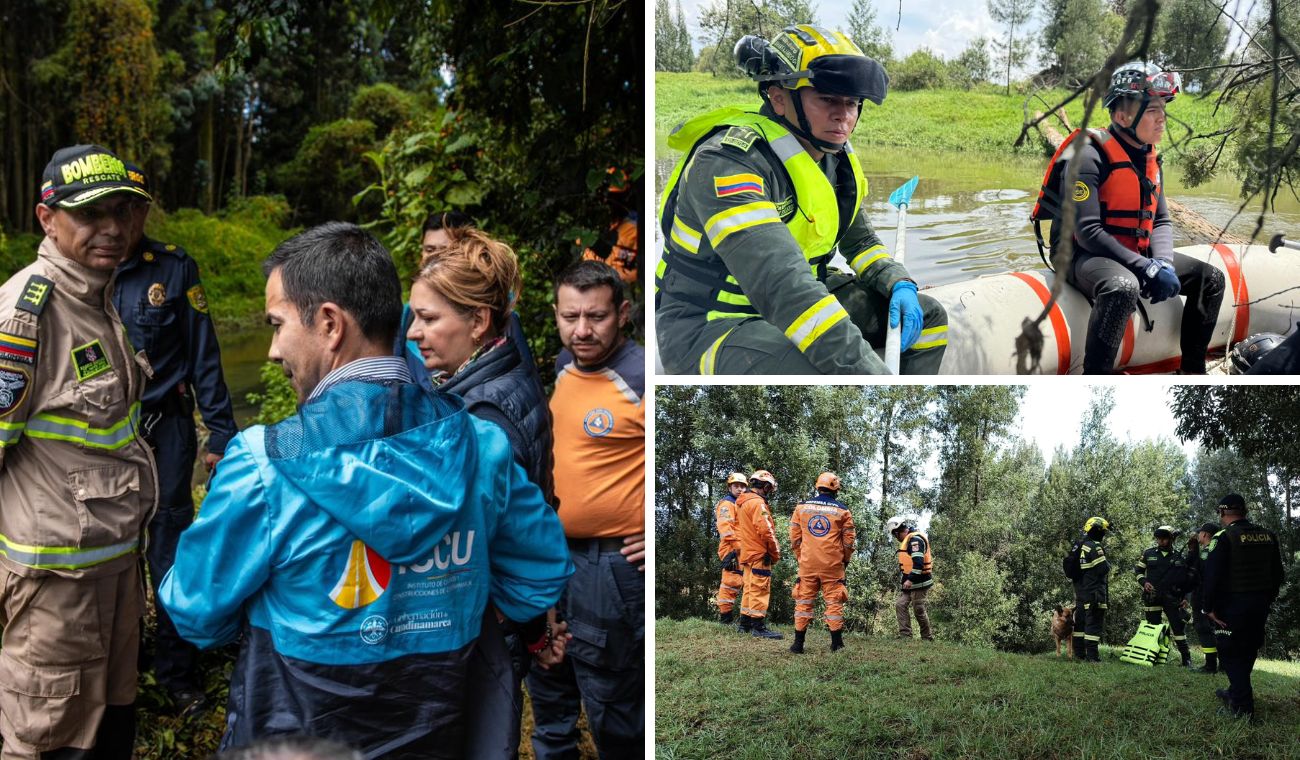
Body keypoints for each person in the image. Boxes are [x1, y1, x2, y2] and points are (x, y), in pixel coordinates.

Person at [158, 222, 573, 758]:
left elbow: (195, 612)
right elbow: (537, 577)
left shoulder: (263, 464)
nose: (271, 350)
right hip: (441, 728)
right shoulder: (482, 449)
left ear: (329, 324)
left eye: (278, 325)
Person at [655, 24, 948, 374]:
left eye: (853, 102)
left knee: (930, 319)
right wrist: (871, 375)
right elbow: (783, 287)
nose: (844, 115)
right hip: (710, 321)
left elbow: (863, 241)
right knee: (816, 367)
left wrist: (896, 281)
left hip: (797, 297)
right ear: (779, 98)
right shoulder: (727, 161)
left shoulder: (832, 159)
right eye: (827, 99)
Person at [0, 144, 158, 759]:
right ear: (47, 218)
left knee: (111, 725)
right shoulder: (25, 316)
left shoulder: (99, 298)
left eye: (124, 211)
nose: (113, 229)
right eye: (91, 215)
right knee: (48, 738)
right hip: (55, 583)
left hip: (114, 568)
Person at [402, 226, 560, 757]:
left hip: (487, 625)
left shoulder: (483, 411)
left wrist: (531, 628)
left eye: (428, 320)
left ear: (477, 320)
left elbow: (504, 537)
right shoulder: (501, 371)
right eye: (413, 317)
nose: (414, 334)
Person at [111, 161, 238, 715]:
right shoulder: (79, 274)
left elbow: (204, 354)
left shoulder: (172, 269)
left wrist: (222, 435)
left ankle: (177, 674)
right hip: (103, 436)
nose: (126, 219)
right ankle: (118, 668)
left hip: (167, 429)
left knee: (169, 546)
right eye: (117, 208)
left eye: (136, 208)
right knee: (110, 548)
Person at [527, 260, 644, 759]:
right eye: (569, 316)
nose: (581, 330)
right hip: (552, 561)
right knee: (549, 690)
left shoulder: (642, 377)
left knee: (614, 709)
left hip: (612, 568)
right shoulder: (563, 366)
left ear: (622, 313)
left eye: (595, 317)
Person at [1053, 61, 1225, 374]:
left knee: (1211, 280)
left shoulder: (1150, 158)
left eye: (1164, 108)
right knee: (1122, 287)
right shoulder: (1089, 156)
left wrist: (1163, 264)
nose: (1163, 118)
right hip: (1081, 253)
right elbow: (1087, 231)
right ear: (1122, 116)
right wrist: (1143, 266)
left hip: (1132, 249)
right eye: (1152, 110)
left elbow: (1160, 221)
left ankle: (1192, 370)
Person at [1200, 494, 1285, 720]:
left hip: (1233, 605)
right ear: (1244, 510)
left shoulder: (1224, 537)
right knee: (1248, 648)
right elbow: (1278, 573)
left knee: (1230, 652)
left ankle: (1242, 707)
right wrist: (1268, 598)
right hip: (1261, 603)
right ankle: (1235, 692)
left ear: (1222, 513)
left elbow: (1212, 576)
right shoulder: (1268, 536)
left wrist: (1208, 607)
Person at [788, 472, 856, 653]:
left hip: (807, 563)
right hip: (832, 565)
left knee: (803, 602)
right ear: (836, 490)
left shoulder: (801, 508)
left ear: (817, 487)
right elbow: (848, 541)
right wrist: (845, 560)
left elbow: (794, 538)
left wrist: (801, 558)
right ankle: (836, 644)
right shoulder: (843, 511)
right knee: (834, 603)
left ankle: (798, 644)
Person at [733, 470, 783, 639]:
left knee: (748, 588)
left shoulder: (742, 503)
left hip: (747, 553)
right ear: (766, 487)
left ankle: (744, 624)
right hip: (759, 553)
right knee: (759, 589)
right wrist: (775, 552)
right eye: (769, 488)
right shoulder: (757, 504)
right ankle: (758, 627)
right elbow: (766, 530)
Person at [1133, 525, 1193, 666]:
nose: (1160, 541)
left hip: (1173, 598)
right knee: (1153, 628)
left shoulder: (1180, 557)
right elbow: (1138, 571)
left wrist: (1186, 598)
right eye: (1158, 538)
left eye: (1164, 538)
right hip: (1152, 597)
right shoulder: (1148, 553)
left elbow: (1187, 582)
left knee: (1178, 627)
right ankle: (1154, 657)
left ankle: (1187, 659)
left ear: (1171, 539)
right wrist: (1144, 582)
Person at [887, 515, 933, 640]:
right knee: (900, 605)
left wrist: (910, 579)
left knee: (918, 609)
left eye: (895, 535)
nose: (896, 539)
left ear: (897, 533)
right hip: (911, 582)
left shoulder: (915, 541)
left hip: (920, 581)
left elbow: (918, 563)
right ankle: (905, 635)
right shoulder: (908, 540)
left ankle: (927, 637)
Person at [1072, 516, 1111, 662]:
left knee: (1080, 624)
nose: (1104, 534)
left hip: (1082, 591)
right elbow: (1103, 569)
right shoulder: (1094, 546)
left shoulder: (1080, 545)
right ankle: (1093, 658)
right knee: (1093, 625)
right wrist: (1108, 564)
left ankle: (1079, 654)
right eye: (1103, 531)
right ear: (1097, 530)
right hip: (1095, 592)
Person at [715, 471, 750, 624]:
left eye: (743, 486)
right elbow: (726, 529)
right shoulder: (727, 504)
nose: (740, 489)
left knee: (744, 582)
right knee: (730, 583)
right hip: (732, 550)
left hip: (742, 549)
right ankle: (725, 619)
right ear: (730, 487)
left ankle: (743, 619)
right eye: (736, 486)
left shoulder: (741, 505)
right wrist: (736, 549)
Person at [1185, 522, 1220, 674]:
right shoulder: (1218, 550)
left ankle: (1210, 665)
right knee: (1219, 630)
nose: (1198, 535)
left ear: (1205, 535)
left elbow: (1195, 570)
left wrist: (1192, 550)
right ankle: (1224, 664)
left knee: (1203, 628)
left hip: (1203, 597)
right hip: (1218, 596)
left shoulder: (1207, 552)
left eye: (1200, 533)